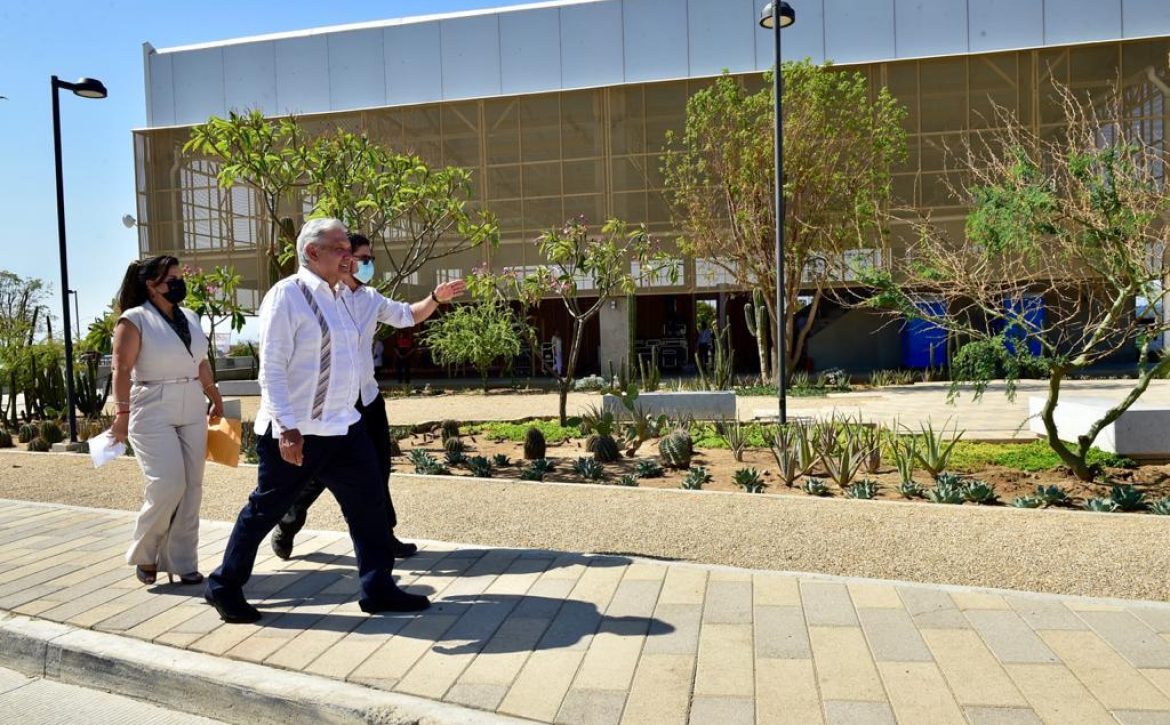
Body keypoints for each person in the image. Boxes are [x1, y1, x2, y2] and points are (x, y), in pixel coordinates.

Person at [205, 218, 432, 623]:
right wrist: (287, 428)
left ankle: (378, 588)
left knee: (370, 506)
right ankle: (224, 585)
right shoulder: (286, 296)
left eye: (349, 249)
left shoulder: (342, 295)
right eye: (340, 248)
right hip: (299, 431)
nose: (349, 256)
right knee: (266, 509)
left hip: (345, 426)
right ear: (312, 252)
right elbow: (271, 369)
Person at [269, 232, 464, 561]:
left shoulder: (371, 298)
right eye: (363, 258)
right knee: (316, 474)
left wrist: (434, 298)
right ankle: (288, 522)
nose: (368, 264)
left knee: (377, 470)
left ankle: (384, 536)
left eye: (371, 259)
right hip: (332, 403)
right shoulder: (324, 296)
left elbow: (407, 315)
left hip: (367, 400)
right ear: (344, 259)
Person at [111, 255, 224, 586]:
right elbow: (121, 369)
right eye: (171, 279)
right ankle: (145, 553)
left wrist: (214, 395)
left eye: (179, 277)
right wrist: (121, 416)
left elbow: (199, 361)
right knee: (167, 484)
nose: (179, 283)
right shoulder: (134, 319)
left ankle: (182, 560)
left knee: (192, 486)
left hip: (191, 401)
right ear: (151, 284)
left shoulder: (190, 317)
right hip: (151, 404)